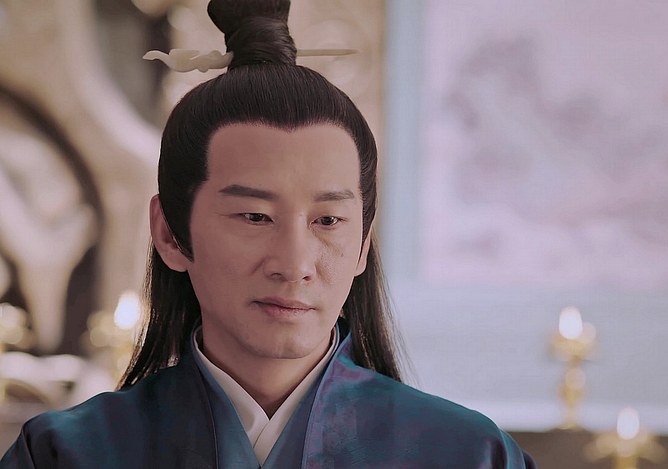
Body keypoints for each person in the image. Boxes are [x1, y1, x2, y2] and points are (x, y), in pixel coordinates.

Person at [1, 1, 535, 467]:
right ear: (169, 233)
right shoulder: (69, 454)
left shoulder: (467, 454)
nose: (294, 264)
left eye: (328, 221)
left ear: (363, 246)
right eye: (255, 217)